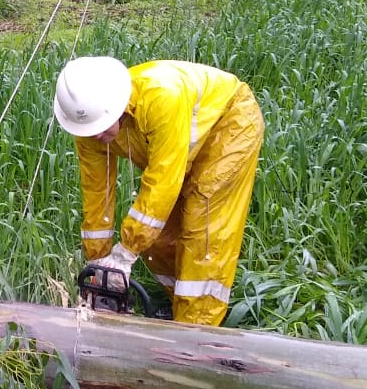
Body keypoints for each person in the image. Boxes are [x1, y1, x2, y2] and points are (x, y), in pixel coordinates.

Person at [53, 56, 264, 326]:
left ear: (115, 108)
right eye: (88, 129)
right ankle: (178, 303)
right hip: (178, 150)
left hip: (229, 125)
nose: (95, 136)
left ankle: (197, 334)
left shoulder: (162, 97)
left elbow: (163, 179)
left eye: (99, 127)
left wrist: (126, 252)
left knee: (203, 226)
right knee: (161, 237)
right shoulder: (89, 126)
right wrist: (100, 261)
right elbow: (96, 193)